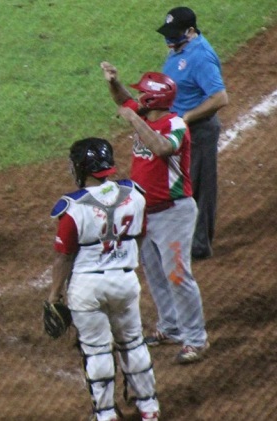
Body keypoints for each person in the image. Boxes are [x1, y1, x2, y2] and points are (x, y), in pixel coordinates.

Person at [100, 62, 209, 364]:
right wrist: (113, 81)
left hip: (174, 212)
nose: (137, 99)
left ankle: (196, 340)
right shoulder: (147, 116)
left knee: (177, 275)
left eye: (142, 95)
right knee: (155, 273)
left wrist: (134, 119)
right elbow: (124, 101)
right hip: (145, 212)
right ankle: (171, 327)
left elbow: (162, 148)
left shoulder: (174, 124)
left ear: (151, 101)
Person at [47, 138, 160, 421]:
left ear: (81, 167)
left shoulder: (73, 208)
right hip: (125, 281)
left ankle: (106, 414)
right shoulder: (134, 196)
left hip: (87, 288)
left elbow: (63, 257)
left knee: (97, 352)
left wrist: (53, 295)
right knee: (133, 343)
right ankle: (149, 407)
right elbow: (141, 234)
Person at [157, 6, 229, 259]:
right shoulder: (179, 49)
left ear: (190, 31)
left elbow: (220, 97)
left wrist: (186, 118)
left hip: (198, 130)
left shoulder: (200, 56)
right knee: (182, 184)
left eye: (175, 33)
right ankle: (183, 236)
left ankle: (199, 245)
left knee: (199, 187)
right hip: (180, 129)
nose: (169, 38)